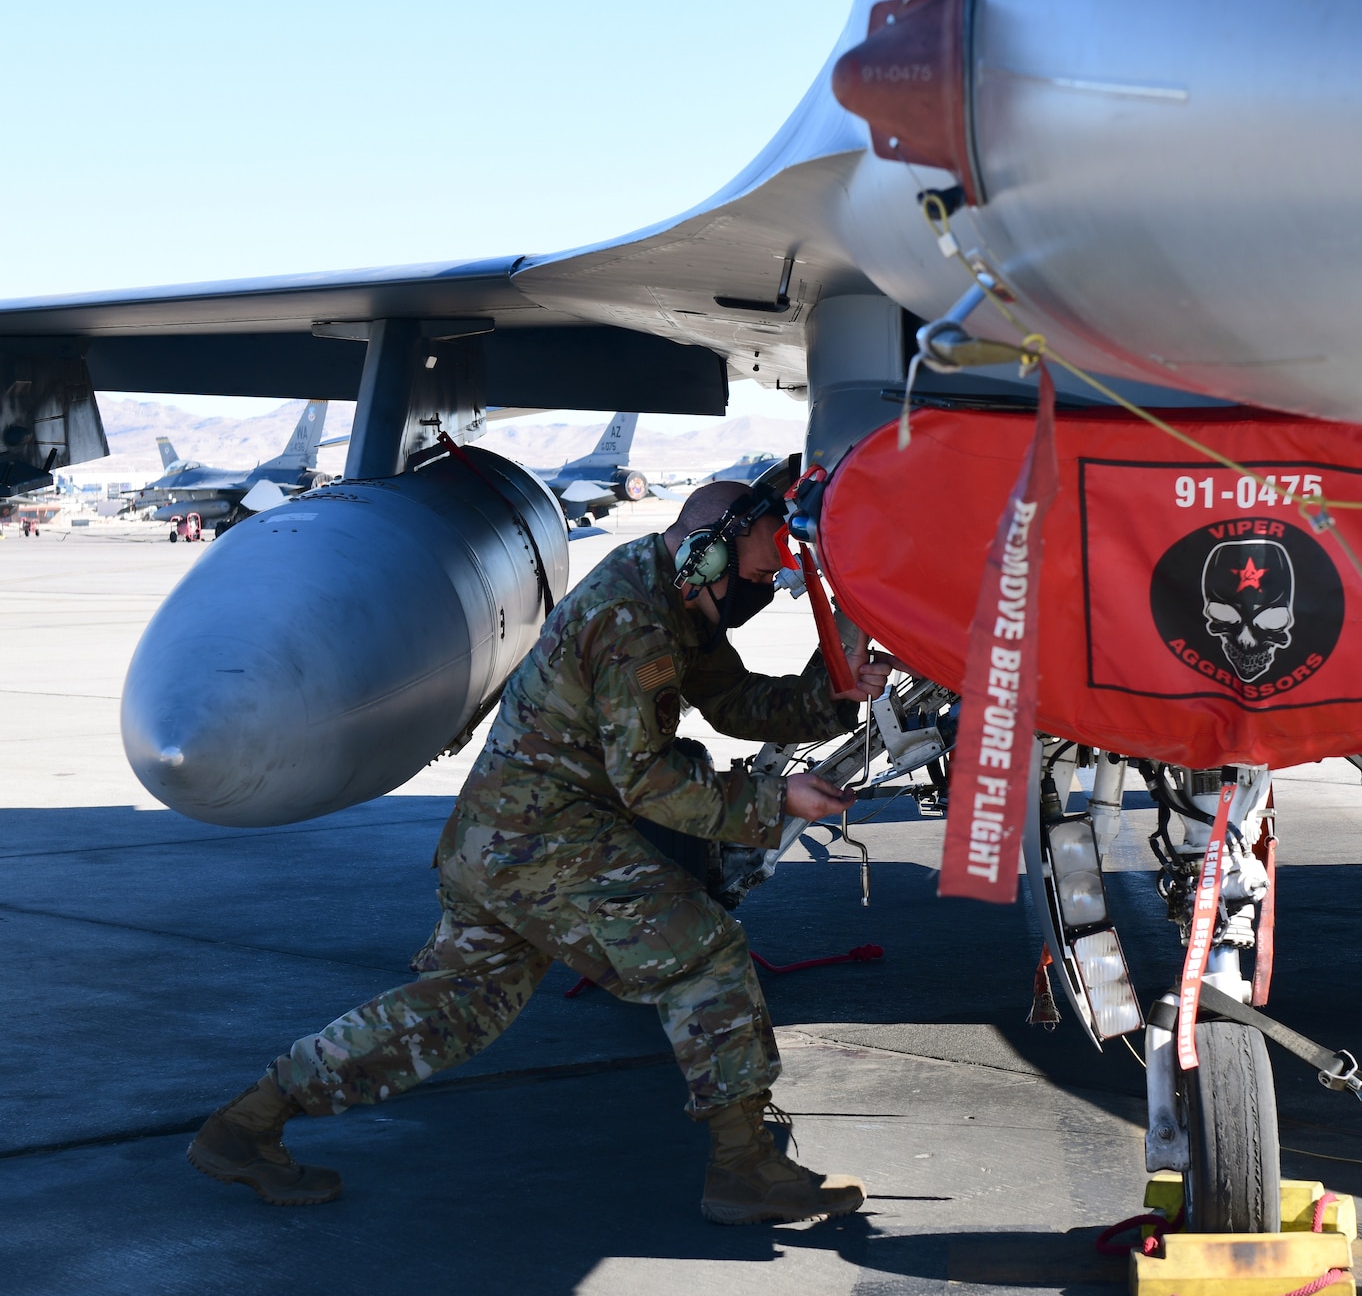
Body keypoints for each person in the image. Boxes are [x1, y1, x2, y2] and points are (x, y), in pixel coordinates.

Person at [187, 478, 893, 1223]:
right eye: (755, 573)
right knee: (705, 950)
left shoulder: (672, 596)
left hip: (504, 837)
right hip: (541, 836)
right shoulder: (635, 619)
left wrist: (841, 679)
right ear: (707, 547)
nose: (762, 587)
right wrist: (775, 800)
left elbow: (737, 702)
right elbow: (649, 780)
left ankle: (246, 1124)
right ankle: (744, 1166)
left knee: (455, 1010)